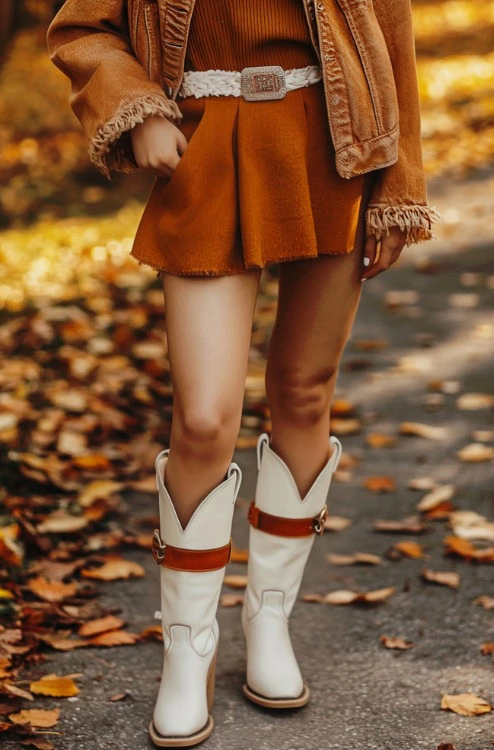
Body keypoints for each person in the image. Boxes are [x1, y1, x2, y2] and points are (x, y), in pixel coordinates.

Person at [47, 0, 442, 746]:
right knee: (204, 416)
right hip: (203, 143)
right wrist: (135, 106)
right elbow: (79, 27)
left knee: (302, 392)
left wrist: (400, 186)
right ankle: (187, 650)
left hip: (335, 144)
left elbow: (390, 32)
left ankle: (268, 619)